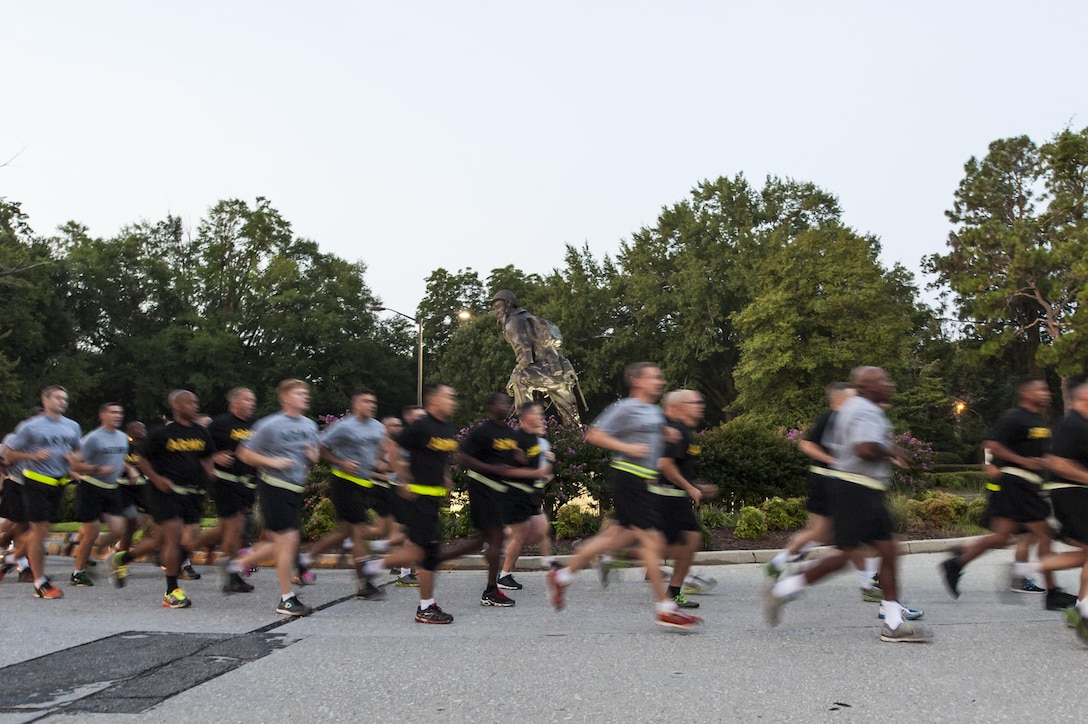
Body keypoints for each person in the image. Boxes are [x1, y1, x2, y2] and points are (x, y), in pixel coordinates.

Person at [762, 366, 929, 643]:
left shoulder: (854, 408)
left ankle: (892, 621)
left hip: (860, 488)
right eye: (881, 380)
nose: (888, 384)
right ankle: (782, 590)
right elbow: (864, 448)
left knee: (888, 550)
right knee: (843, 556)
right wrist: (892, 451)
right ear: (867, 386)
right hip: (856, 489)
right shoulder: (865, 410)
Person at [544, 362, 702, 630]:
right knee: (652, 540)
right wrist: (626, 446)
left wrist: (664, 433)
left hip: (642, 481)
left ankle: (563, 576)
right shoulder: (626, 407)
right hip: (629, 476)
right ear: (638, 382)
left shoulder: (652, 411)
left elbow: (650, 436)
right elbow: (594, 435)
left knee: (615, 537)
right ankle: (665, 607)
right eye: (654, 378)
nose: (660, 382)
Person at [939, 379, 1077, 611]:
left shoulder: (1037, 419)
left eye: (1046, 389)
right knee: (1044, 535)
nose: (1046, 393)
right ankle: (1052, 593)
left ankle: (957, 563)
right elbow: (993, 445)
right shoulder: (1015, 417)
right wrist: (1023, 462)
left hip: (1026, 485)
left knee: (1001, 537)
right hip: (1015, 483)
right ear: (1025, 394)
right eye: (1040, 389)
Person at [358, 383, 459, 624]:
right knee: (427, 553)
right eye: (449, 397)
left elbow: (440, 457)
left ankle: (372, 567)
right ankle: (425, 607)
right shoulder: (421, 427)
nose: (453, 401)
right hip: (417, 498)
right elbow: (394, 444)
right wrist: (400, 476)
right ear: (434, 400)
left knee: (418, 550)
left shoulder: (446, 427)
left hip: (433, 498)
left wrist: (445, 476)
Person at [231, 379, 321, 616]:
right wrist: (271, 461)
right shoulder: (270, 424)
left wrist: (312, 456)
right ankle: (286, 599)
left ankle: (237, 564)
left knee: (283, 543)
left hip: (295, 489)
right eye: (300, 393)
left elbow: (312, 457)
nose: (305, 397)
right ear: (286, 398)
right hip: (274, 487)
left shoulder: (310, 425)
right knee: (288, 542)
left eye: (306, 393)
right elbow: (244, 453)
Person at [122, 390, 215, 608]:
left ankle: (128, 558)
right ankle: (171, 590)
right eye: (189, 402)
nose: (195, 405)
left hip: (191, 493)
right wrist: (156, 478)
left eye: (195, 401)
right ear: (177, 406)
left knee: (188, 541)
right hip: (165, 492)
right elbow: (142, 460)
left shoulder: (201, 433)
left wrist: (209, 477)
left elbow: (207, 458)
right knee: (173, 537)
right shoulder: (162, 433)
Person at [1013, 377, 1088, 634]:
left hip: (1075, 493)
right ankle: (1083, 612)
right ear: (1083, 395)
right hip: (1070, 494)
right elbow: (1057, 463)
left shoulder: (1082, 423)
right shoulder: (1074, 423)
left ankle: (1028, 569)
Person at [458, 393, 547, 607]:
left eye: (508, 403)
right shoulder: (483, 431)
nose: (506, 406)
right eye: (501, 403)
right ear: (490, 406)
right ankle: (491, 589)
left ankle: (491, 586)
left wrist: (519, 457)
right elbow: (462, 456)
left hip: (499, 492)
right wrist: (493, 468)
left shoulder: (509, 433)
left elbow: (513, 457)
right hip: (481, 488)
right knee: (496, 539)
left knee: (489, 541)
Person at [304, 388, 388, 599]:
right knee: (358, 532)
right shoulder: (344, 427)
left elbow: (378, 455)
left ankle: (304, 561)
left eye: (373, 401)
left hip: (365, 484)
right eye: (367, 401)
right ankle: (364, 584)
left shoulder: (378, 428)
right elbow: (320, 446)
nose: (371, 405)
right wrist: (341, 462)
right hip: (344, 482)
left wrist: (382, 467)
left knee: (344, 533)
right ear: (356, 404)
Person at [4, 386, 86, 599]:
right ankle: (40, 583)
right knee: (39, 530)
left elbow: (78, 451)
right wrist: (30, 456)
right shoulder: (31, 427)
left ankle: (11, 559)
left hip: (59, 484)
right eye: (58, 398)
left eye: (65, 398)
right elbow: (9, 456)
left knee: (42, 531)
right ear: (46, 400)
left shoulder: (73, 426)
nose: (62, 402)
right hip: (35, 482)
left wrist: (74, 459)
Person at [655, 389, 717, 609]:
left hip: (676, 496)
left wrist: (695, 486)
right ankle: (611, 552)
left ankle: (674, 591)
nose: (700, 405)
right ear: (680, 405)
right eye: (694, 402)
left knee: (690, 541)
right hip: (667, 497)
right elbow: (665, 465)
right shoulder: (677, 430)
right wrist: (690, 487)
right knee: (665, 546)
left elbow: (676, 467)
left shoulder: (685, 431)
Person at [491, 290, 582, 427]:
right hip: (559, 372)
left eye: (498, 307)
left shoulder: (513, 323)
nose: (496, 312)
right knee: (572, 420)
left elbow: (525, 357)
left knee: (519, 379)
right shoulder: (529, 318)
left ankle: (527, 427)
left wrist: (513, 376)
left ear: (508, 303)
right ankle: (578, 443)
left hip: (545, 373)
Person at [201, 387, 258, 594]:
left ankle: (186, 546)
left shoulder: (255, 426)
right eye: (247, 399)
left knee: (232, 528)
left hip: (247, 484)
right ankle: (231, 574)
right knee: (235, 526)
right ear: (235, 402)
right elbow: (201, 449)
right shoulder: (220, 424)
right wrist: (214, 458)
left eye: (253, 400)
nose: (252, 403)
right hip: (224, 482)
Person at [69, 403, 130, 587]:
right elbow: (74, 464)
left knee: (120, 530)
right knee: (92, 532)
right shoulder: (93, 438)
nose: (117, 415)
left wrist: (131, 469)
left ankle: (94, 552)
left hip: (111, 488)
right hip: (91, 487)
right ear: (102, 415)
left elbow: (118, 460)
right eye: (113, 412)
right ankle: (78, 573)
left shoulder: (122, 437)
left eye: (119, 412)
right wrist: (97, 468)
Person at [498, 401, 556, 588]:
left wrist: (547, 464)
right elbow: (506, 471)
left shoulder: (535, 440)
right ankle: (504, 575)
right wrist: (535, 473)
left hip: (530, 493)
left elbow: (535, 466)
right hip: (515, 494)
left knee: (540, 530)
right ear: (525, 418)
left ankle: (499, 540)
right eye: (537, 413)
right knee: (521, 537)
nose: (541, 417)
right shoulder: (516, 439)